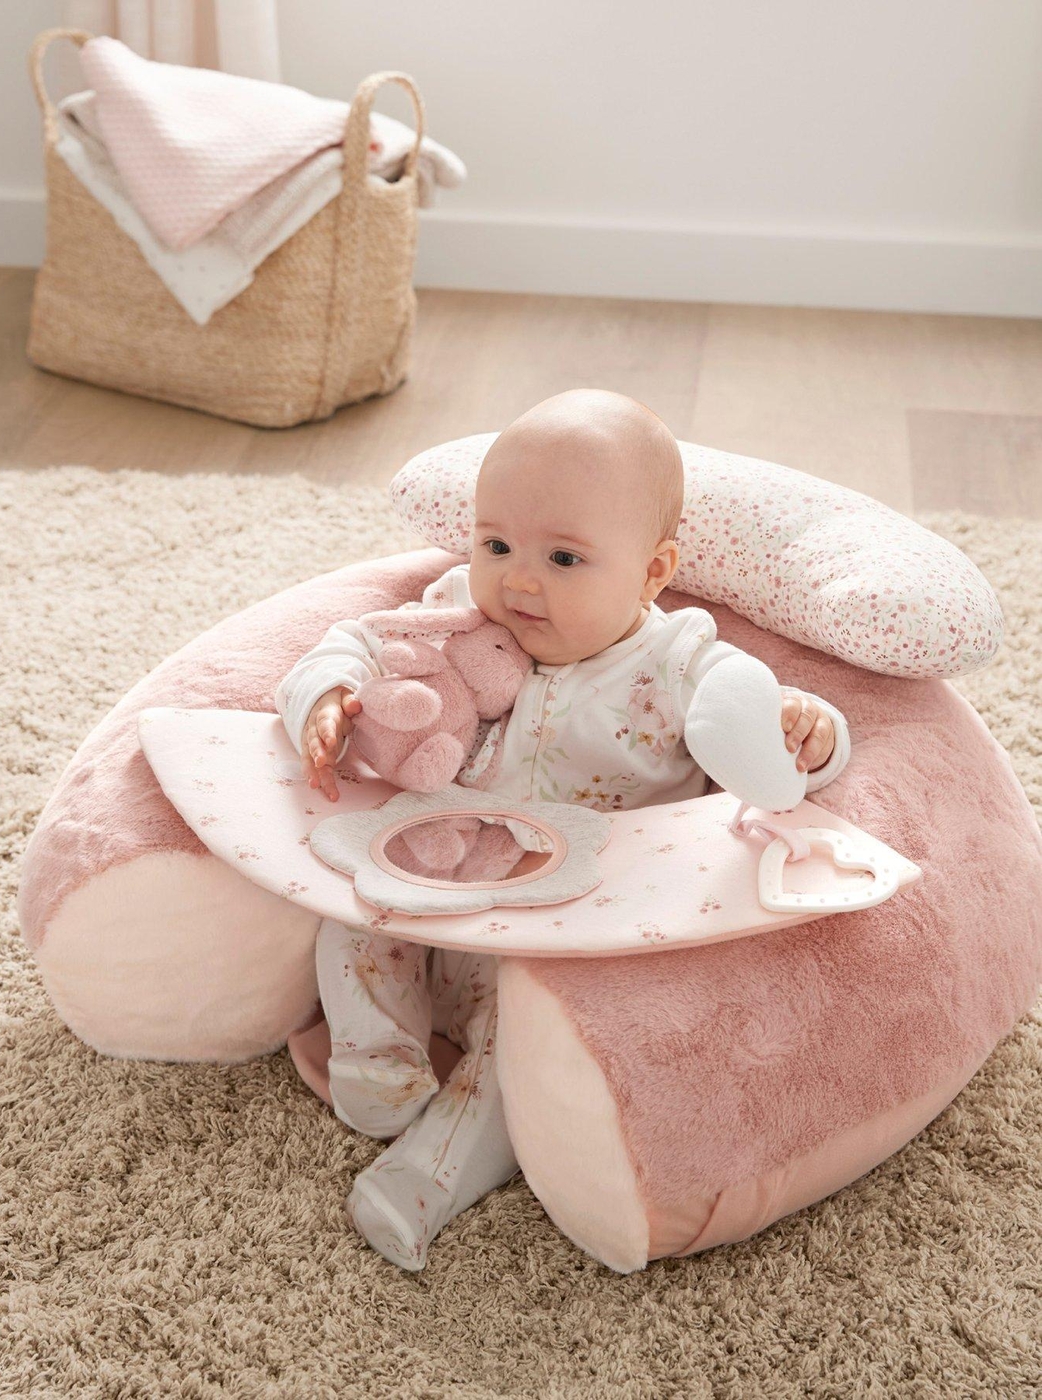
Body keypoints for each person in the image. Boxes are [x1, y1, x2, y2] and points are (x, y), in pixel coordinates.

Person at [275, 389, 852, 1269]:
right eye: (495, 545)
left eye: (564, 558)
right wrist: (326, 697)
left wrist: (807, 733)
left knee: (526, 1055)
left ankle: (423, 1179)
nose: (518, 580)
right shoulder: (456, 614)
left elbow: (761, 731)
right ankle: (377, 1055)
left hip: (565, 940)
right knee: (348, 919)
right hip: (437, 885)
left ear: (653, 573)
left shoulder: (680, 660)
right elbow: (353, 641)